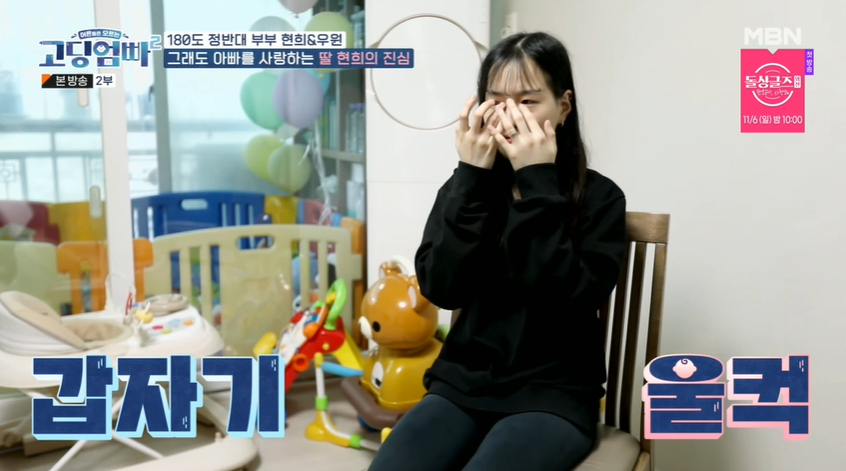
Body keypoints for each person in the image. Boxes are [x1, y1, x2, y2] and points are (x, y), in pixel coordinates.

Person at [367, 32, 628, 471]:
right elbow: (441, 289)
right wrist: (470, 177)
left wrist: (537, 180)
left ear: (563, 107)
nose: (509, 115)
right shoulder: (467, 188)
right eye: (496, 100)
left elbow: (566, 299)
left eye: (528, 101)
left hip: (553, 395)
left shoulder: (600, 198)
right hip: (460, 386)